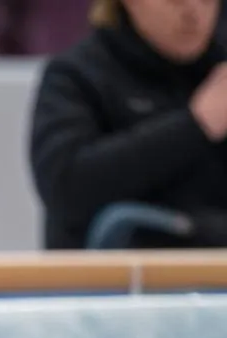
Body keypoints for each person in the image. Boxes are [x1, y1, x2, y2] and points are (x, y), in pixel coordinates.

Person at [29, 0, 227, 249]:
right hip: (106, 282)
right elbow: (65, 188)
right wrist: (195, 125)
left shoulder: (219, 69)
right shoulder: (76, 76)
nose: (193, 11)